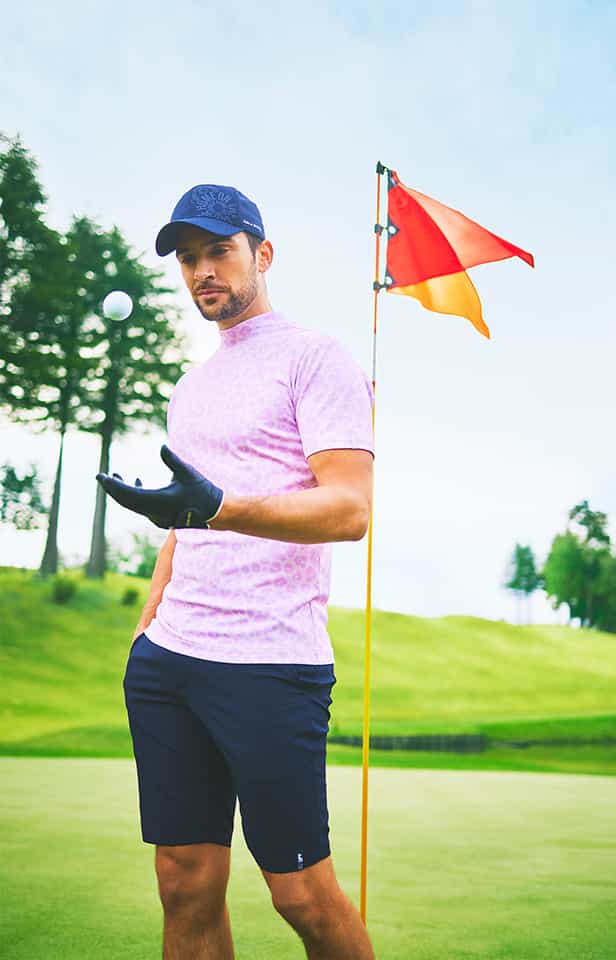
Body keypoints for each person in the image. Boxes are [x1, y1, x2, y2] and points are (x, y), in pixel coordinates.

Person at [97, 183, 375, 960]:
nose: (202, 271)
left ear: (263, 254)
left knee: (301, 896)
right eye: (188, 259)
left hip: (270, 664)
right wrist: (146, 628)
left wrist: (219, 507)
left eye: (218, 251)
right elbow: (184, 522)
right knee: (183, 883)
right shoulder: (192, 387)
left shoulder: (316, 359)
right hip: (170, 663)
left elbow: (350, 509)